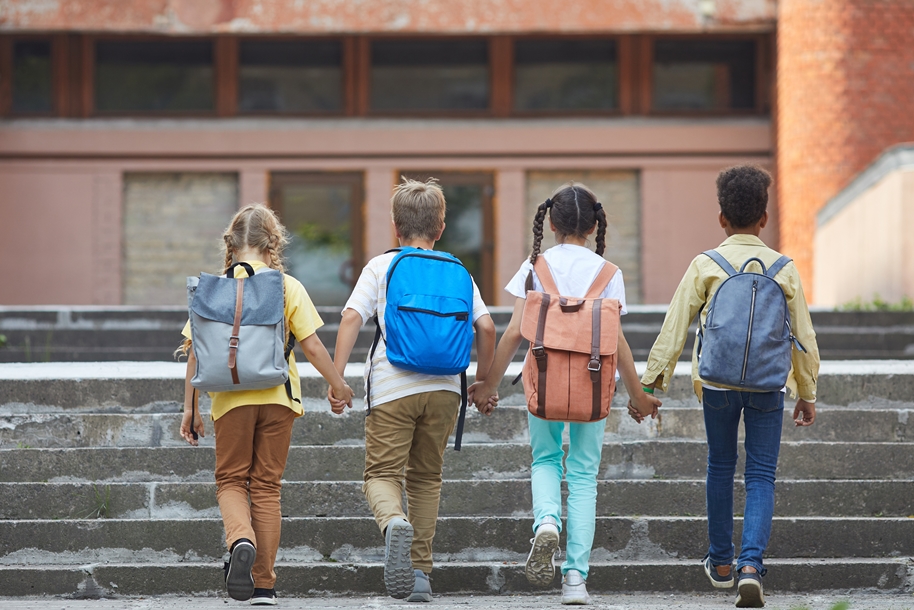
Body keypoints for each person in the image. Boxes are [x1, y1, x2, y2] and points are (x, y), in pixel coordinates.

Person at [469, 183, 661, 606]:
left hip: (544, 378)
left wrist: (488, 385)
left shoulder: (536, 267)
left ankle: (546, 524)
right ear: (594, 228)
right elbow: (618, 342)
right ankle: (575, 579)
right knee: (583, 475)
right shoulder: (609, 273)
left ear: (551, 224)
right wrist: (639, 394)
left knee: (545, 458)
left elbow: (516, 331)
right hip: (594, 387)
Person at [638, 165, 819, 608]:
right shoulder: (784, 269)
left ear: (721, 217)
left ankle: (721, 561)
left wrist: (652, 381)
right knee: (761, 474)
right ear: (765, 217)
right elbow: (805, 337)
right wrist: (806, 391)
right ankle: (751, 566)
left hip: (716, 383)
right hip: (767, 385)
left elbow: (675, 324)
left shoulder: (706, 264)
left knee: (720, 465)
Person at [177, 205, 355, 605]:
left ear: (232, 243)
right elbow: (311, 345)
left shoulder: (211, 288)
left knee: (231, 482)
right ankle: (264, 585)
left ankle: (241, 540)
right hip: (278, 397)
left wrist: (190, 409)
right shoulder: (286, 285)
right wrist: (339, 385)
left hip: (230, 401)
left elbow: (194, 354)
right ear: (272, 242)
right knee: (267, 487)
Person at [330, 178, 496, 602]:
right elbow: (487, 326)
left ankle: (393, 523)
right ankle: (420, 574)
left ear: (394, 226)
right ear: (440, 227)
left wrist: (338, 378)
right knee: (426, 479)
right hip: (446, 389)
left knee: (382, 475)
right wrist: (485, 381)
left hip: (392, 385)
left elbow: (351, 318)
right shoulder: (458, 270)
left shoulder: (382, 266)